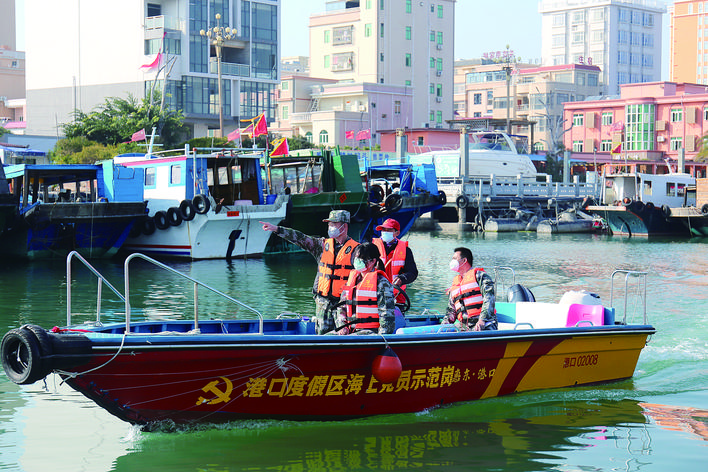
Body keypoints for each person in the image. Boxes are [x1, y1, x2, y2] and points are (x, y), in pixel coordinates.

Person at [261, 210, 359, 334]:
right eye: (329, 224)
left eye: (334, 224)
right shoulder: (322, 245)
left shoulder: (356, 250)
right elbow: (301, 238)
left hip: (343, 305)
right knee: (322, 336)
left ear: (344, 226)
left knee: (344, 334)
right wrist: (277, 229)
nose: (330, 227)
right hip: (323, 303)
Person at [335, 242, 396, 335]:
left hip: (370, 332)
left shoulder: (381, 283)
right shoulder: (352, 279)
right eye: (356, 258)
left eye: (362, 259)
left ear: (373, 261)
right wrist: (342, 327)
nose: (358, 261)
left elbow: (387, 314)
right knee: (324, 339)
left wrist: (382, 339)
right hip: (350, 329)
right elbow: (341, 306)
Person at [444, 247, 497, 331]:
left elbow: (489, 299)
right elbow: (451, 309)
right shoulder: (455, 284)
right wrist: (444, 324)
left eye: (454, 258)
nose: (452, 261)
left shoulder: (480, 276)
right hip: (464, 327)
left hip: (484, 325)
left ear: (464, 260)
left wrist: (482, 320)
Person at [371, 219, 417, 302]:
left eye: (389, 230)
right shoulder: (372, 246)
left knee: (397, 314)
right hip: (375, 293)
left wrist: (402, 278)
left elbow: (413, 272)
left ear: (397, 233)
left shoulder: (406, 250)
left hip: (397, 295)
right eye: (383, 229)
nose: (385, 232)